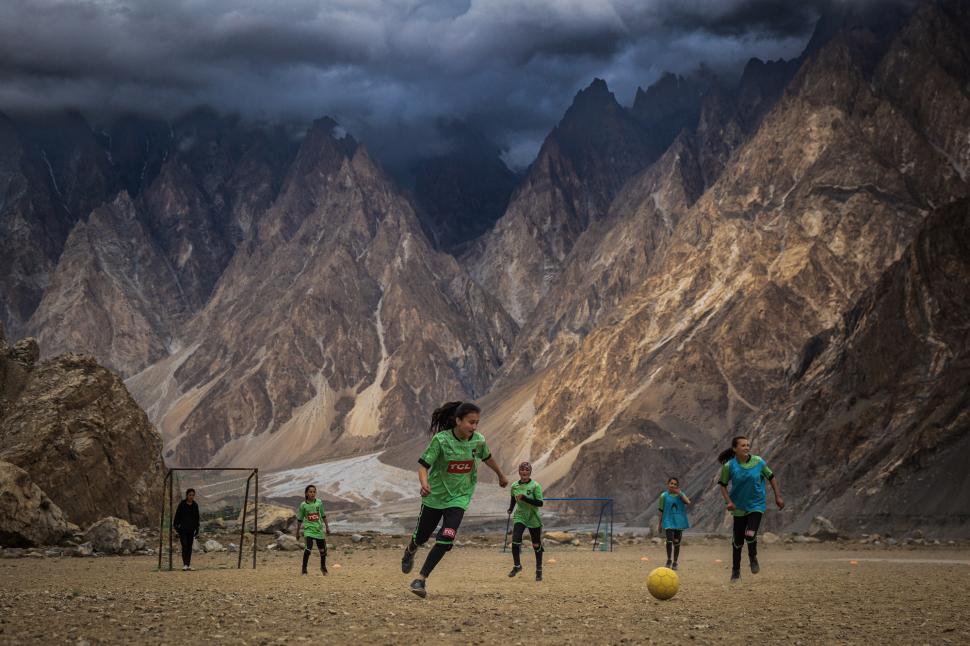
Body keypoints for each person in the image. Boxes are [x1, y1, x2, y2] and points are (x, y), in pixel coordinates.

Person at [401, 401, 509, 598]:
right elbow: (423, 466)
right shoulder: (441, 440)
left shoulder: (478, 441)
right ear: (458, 421)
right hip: (435, 498)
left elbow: (488, 457)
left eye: (477, 423)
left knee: (446, 537)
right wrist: (424, 484)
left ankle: (421, 579)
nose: (474, 427)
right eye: (470, 422)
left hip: (459, 498)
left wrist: (501, 475)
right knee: (423, 536)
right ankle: (411, 549)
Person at [717, 436, 784, 582]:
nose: (747, 447)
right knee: (738, 541)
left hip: (756, 505)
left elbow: (771, 477)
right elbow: (722, 485)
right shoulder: (729, 466)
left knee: (750, 533)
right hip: (738, 506)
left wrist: (778, 497)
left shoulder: (758, 462)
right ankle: (735, 572)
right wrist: (728, 502)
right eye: (743, 445)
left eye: (748, 445)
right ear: (735, 449)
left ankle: (752, 556)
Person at [507, 461, 544, 581]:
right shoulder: (514, 486)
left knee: (536, 544)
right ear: (519, 472)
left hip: (533, 516)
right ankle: (517, 566)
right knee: (515, 540)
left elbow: (540, 503)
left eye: (527, 470)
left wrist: (525, 498)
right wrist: (511, 508)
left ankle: (539, 570)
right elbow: (513, 498)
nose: (524, 472)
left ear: (530, 472)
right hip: (520, 515)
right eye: (522, 470)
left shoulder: (535, 486)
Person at [657, 477, 690, 570]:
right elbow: (660, 511)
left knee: (677, 543)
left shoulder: (680, 495)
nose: (673, 485)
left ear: (677, 486)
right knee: (669, 541)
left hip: (678, 522)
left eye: (675, 484)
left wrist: (680, 493)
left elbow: (688, 502)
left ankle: (675, 562)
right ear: (668, 484)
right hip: (668, 521)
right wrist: (659, 524)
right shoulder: (663, 496)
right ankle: (668, 560)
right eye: (671, 483)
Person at [296, 485, 330, 575]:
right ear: (306, 493)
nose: (312, 493)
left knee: (323, 550)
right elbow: (300, 519)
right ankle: (304, 569)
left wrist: (327, 527)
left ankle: (323, 568)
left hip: (318, 530)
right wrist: (297, 532)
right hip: (308, 530)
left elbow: (323, 515)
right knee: (308, 549)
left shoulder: (319, 503)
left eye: (314, 492)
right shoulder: (303, 505)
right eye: (310, 492)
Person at [172, 488, 200, 571]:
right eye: (190, 495)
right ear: (187, 495)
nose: (191, 497)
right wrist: (176, 527)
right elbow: (177, 515)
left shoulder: (195, 505)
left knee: (189, 546)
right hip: (183, 529)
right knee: (184, 545)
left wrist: (197, 528)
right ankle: (185, 564)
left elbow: (197, 517)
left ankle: (188, 564)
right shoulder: (182, 504)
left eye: (193, 495)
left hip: (191, 529)